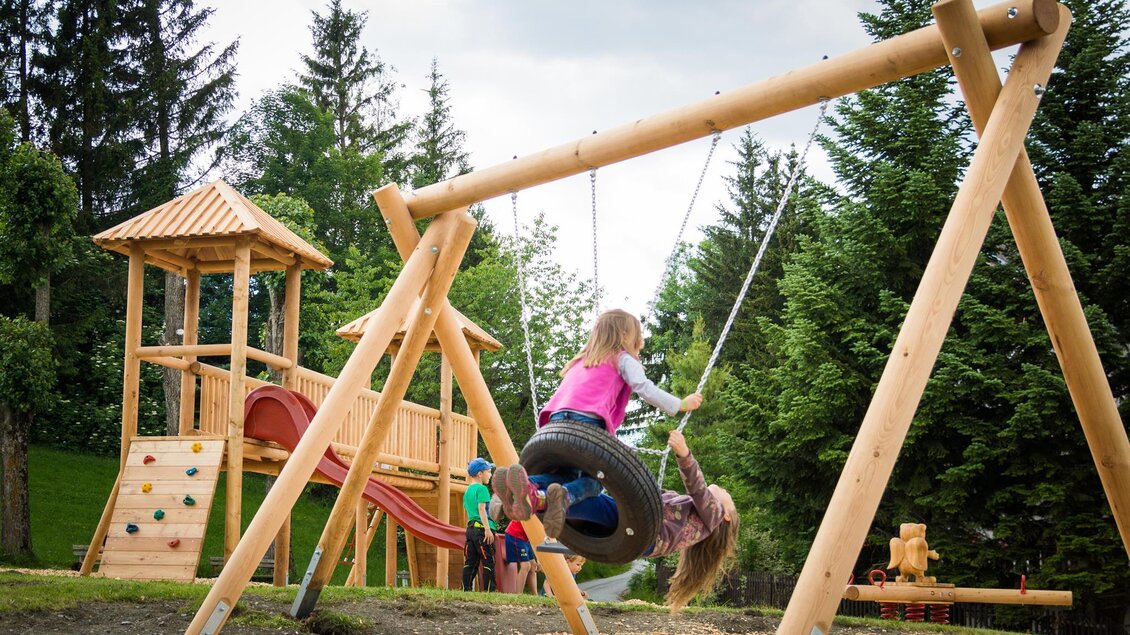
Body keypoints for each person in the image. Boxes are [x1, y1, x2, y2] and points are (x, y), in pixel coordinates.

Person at [494, 309, 703, 535]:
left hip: (553, 426)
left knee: (566, 476)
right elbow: (645, 388)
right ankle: (565, 496)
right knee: (595, 482)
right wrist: (681, 404)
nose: (639, 342)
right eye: (637, 336)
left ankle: (525, 488)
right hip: (586, 423)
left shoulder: (581, 360)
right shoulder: (621, 357)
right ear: (624, 335)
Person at [496, 430, 739, 611]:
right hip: (641, 536)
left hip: (646, 532)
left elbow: (698, 488)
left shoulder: (714, 516)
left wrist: (684, 455)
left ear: (726, 515)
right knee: (587, 505)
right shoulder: (694, 515)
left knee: (597, 502)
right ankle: (525, 491)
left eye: (728, 497)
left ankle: (535, 496)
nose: (724, 492)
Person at [461, 457, 497, 592]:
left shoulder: (468, 491)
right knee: (489, 560)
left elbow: (470, 510)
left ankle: (466, 589)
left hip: (470, 530)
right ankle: (490, 591)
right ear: (480, 474)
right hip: (482, 530)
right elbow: (482, 509)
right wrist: (487, 529)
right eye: (489, 471)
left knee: (471, 562)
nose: (491, 474)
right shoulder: (482, 489)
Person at [503, 520, 537, 594]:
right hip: (515, 534)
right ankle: (518, 595)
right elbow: (535, 537)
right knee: (526, 565)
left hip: (525, 538)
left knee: (533, 565)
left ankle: (535, 595)